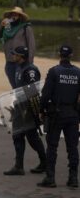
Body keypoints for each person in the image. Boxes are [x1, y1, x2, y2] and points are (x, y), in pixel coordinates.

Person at [38, 45, 80, 188]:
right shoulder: (78, 73)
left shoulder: (54, 72)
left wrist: (41, 110)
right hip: (73, 114)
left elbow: (45, 94)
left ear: (59, 55)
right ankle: (73, 178)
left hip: (56, 113)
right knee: (73, 147)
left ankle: (50, 178)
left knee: (52, 146)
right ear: (71, 55)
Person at [3, 46, 47, 176]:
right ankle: (19, 166)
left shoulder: (30, 70)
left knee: (32, 137)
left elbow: (32, 92)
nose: (13, 56)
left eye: (15, 54)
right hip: (19, 107)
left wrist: (34, 111)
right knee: (17, 136)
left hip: (27, 109)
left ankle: (44, 162)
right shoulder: (19, 67)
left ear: (21, 56)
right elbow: (18, 88)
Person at [0, 7, 35, 88]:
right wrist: (1, 26)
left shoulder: (26, 27)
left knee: (23, 87)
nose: (13, 16)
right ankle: (18, 100)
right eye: (12, 14)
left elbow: (32, 45)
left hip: (22, 63)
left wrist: (30, 63)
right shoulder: (7, 27)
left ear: (20, 17)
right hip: (9, 62)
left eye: (16, 15)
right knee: (15, 88)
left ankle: (24, 101)